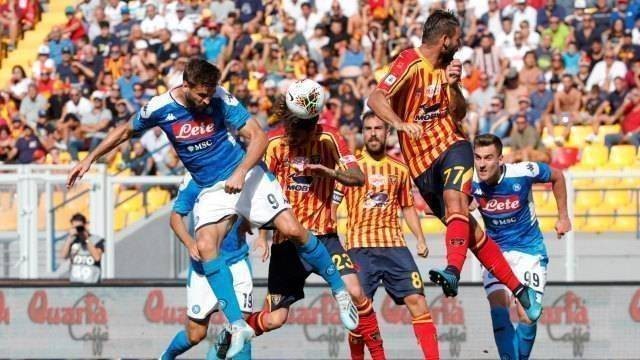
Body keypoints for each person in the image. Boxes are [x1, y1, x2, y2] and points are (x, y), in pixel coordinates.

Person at [66, 59, 358, 358]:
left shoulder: (222, 98)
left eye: (211, 94)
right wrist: (89, 159)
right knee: (205, 246)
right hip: (211, 189)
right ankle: (236, 325)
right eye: (202, 95)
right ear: (185, 85)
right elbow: (125, 130)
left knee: (292, 229)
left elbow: (257, 136)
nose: (208, 100)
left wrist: (242, 171)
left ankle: (339, 290)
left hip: (245, 174)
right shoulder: (159, 108)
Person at [367, 10, 542, 322]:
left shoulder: (449, 67)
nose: (461, 45)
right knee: (471, 234)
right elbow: (375, 98)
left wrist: (452, 85)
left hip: (452, 145)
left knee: (455, 200)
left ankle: (451, 271)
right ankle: (519, 289)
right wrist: (400, 123)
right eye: (458, 39)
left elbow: (458, 113)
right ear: (445, 40)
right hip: (420, 164)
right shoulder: (409, 62)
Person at [236, 89, 377, 356]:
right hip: (287, 243)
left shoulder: (330, 138)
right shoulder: (274, 143)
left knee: (356, 291)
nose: (299, 136)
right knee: (275, 319)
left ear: (314, 125)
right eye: (295, 129)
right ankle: (235, 330)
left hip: (325, 236)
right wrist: (263, 238)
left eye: (305, 130)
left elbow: (358, 178)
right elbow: (259, 190)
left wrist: (331, 172)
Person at [332, 112, 439, 359]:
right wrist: (334, 243)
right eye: (368, 128)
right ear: (362, 132)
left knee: (418, 302)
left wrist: (420, 238)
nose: (373, 133)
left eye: (378, 128)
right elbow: (332, 207)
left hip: (395, 248)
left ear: (387, 133)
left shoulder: (400, 169)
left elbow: (407, 206)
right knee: (358, 316)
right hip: (360, 249)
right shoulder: (350, 168)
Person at [472, 134, 571, 360]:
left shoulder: (523, 172)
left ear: (500, 159)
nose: (482, 164)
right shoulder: (470, 181)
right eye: (477, 157)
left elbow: (557, 176)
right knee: (498, 312)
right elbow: (451, 201)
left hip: (529, 251)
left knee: (527, 316)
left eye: (488, 158)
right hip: (494, 253)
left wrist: (563, 217)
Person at [161, 172, 258, 360]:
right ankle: (166, 357)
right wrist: (190, 243)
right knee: (195, 334)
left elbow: (253, 202)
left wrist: (259, 235)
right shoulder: (194, 177)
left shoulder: (239, 170)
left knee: (242, 324)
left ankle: (217, 353)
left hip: (237, 260)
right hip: (204, 267)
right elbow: (175, 218)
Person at [59, 213, 105, 284]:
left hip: (92, 283)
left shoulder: (97, 240)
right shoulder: (72, 240)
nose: (78, 230)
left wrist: (86, 239)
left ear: (85, 225)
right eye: (75, 228)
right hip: (75, 283)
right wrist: (69, 239)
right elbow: (63, 256)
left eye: (79, 228)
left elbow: (97, 257)